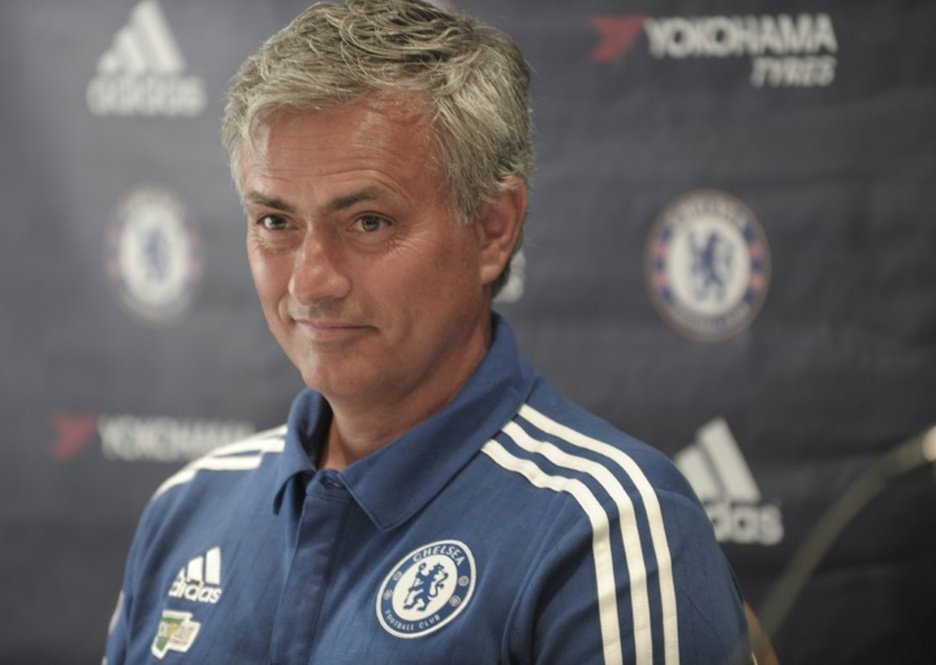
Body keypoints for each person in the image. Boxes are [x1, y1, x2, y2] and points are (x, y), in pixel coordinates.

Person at [104, 1, 753, 663]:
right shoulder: (185, 508)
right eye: (275, 221)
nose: (309, 282)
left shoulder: (604, 529)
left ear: (494, 229)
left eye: (367, 222)